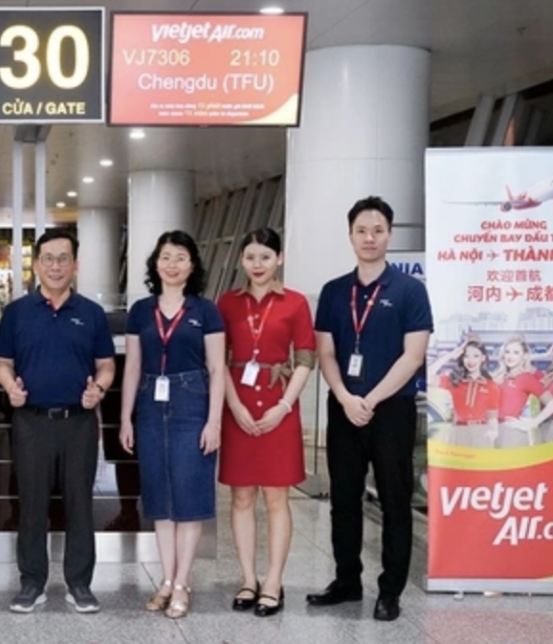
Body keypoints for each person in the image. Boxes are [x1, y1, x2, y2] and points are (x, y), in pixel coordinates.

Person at [310, 196, 433, 622]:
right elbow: (325, 352)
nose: (369, 238)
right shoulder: (332, 291)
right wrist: (346, 397)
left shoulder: (410, 290)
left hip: (392, 411)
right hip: (343, 408)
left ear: (389, 235)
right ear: (350, 235)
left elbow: (413, 356)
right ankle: (346, 581)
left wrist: (371, 399)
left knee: (395, 501)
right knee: (343, 499)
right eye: (361, 230)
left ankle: (390, 590)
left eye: (378, 230)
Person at [0, 230, 115, 615]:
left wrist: (99, 388)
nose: (56, 266)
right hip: (31, 422)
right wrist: (8, 386)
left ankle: (80, 584)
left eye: (64, 258)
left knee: (80, 503)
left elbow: (107, 365)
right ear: (36, 264)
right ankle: (32, 583)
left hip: (78, 423)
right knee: (31, 504)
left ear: (76, 265)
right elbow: (3, 362)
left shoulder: (92, 314)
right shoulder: (16, 312)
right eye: (48, 258)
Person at [118, 230, 225, 620]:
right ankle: (165, 579)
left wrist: (214, 421)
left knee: (189, 495)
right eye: (166, 257)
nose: (172, 264)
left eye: (181, 257)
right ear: (155, 263)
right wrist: (125, 417)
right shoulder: (140, 310)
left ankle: (182, 582)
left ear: (192, 265)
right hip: (149, 402)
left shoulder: (205, 310)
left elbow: (217, 369)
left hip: (192, 401)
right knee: (160, 498)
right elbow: (131, 366)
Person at [215, 227, 315, 618]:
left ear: (279, 259)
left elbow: (306, 357)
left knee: (277, 497)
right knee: (241, 497)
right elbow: (217, 358)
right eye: (251, 257)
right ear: (241, 260)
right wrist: (234, 405)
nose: (258, 265)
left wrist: (285, 406)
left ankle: (273, 581)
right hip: (237, 402)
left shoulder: (295, 303)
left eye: (265, 257)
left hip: (279, 404)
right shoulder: (227, 303)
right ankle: (247, 578)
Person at [426, 337, 499, 447]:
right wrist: (450, 355)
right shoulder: (455, 381)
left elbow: (492, 418)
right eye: (466, 356)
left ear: (483, 358)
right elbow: (427, 377)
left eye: (476, 356)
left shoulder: (491, 386)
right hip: (458, 433)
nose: (471, 361)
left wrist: (494, 433)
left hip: (481, 435)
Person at [492, 335, 553, 447]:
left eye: (516, 353)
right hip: (495, 432)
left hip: (512, 434)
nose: (510, 356)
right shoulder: (500, 377)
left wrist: (529, 425)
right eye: (507, 352)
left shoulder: (526, 378)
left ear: (524, 356)